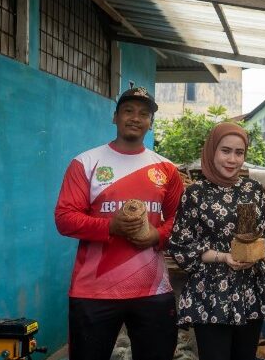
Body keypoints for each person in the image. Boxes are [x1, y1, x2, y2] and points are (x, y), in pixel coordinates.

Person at [54, 87, 184, 360]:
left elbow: (180, 222)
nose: (135, 118)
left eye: (144, 113)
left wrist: (156, 236)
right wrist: (110, 227)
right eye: (128, 111)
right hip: (94, 291)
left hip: (153, 290)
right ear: (115, 117)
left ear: (150, 122)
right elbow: (65, 218)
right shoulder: (86, 162)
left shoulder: (166, 169)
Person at [169, 122, 265, 360]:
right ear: (212, 151)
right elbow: (181, 244)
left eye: (239, 152)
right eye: (225, 151)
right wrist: (223, 257)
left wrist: (254, 255)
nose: (232, 159)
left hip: (249, 290)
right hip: (211, 293)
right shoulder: (196, 193)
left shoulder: (252, 190)